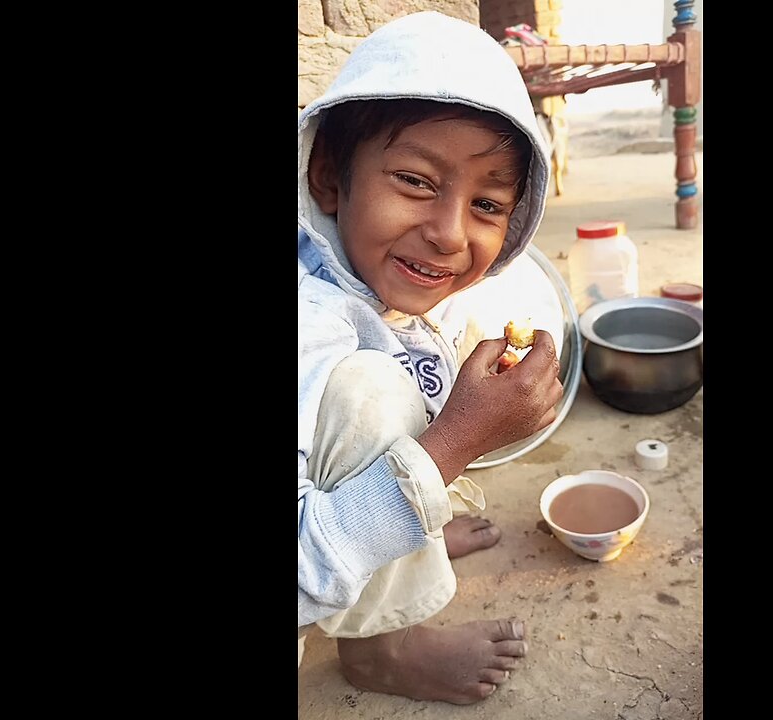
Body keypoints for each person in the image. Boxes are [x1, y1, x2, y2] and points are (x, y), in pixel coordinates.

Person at [297, 11, 563, 705]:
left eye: (487, 202)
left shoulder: (375, 272)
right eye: (416, 181)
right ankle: (382, 648)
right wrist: (456, 441)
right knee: (370, 391)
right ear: (328, 176)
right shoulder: (307, 328)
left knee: (417, 363)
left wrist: (487, 416)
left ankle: (407, 542)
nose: (449, 234)